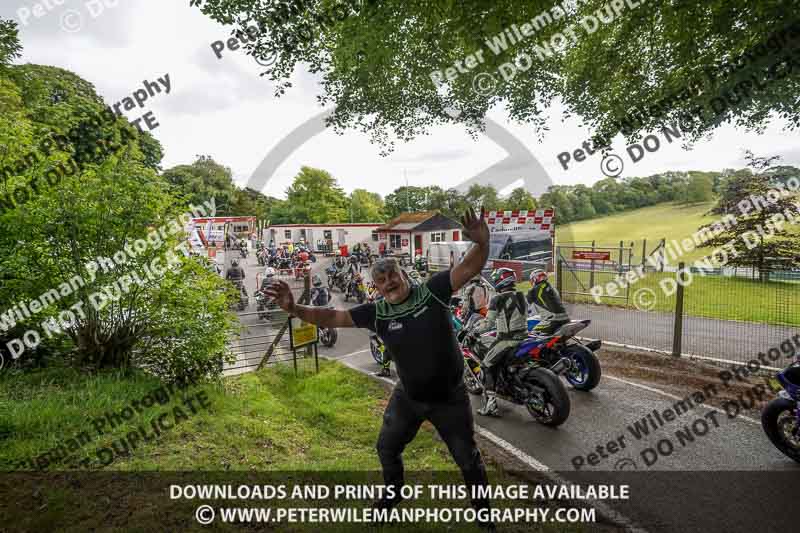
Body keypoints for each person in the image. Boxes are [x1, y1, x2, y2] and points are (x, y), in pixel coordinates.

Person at [265, 208, 495, 529]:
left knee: (467, 459)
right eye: (382, 280)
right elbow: (332, 317)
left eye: (393, 276)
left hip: (449, 399)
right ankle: (393, 493)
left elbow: (469, 267)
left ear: (402, 275)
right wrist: (293, 308)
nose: (389, 283)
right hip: (409, 397)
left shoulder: (432, 291)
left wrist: (482, 244)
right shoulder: (378, 312)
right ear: (376, 286)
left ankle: (484, 516)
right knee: (386, 447)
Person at [470, 268, 528, 417]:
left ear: (500, 281)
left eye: (496, 280)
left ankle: (490, 405)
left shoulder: (498, 299)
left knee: (486, 365)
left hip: (507, 339)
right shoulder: (521, 295)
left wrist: (474, 330)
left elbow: (488, 323)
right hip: (523, 336)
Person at [526, 269, 570, 335]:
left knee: (531, 335)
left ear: (535, 279)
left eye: (532, 279)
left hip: (552, 320)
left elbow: (525, 304)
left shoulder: (534, 290)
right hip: (565, 318)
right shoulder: (552, 287)